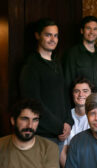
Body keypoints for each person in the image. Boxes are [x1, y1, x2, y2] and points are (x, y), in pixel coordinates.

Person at [19, 18, 73, 151]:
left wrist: (68, 121)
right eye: (48, 35)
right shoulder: (31, 66)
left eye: (56, 36)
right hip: (43, 134)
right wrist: (59, 126)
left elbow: (64, 96)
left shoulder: (56, 63)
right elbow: (34, 103)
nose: (53, 39)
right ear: (38, 35)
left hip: (61, 132)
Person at [0, 99, 59, 168]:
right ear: (13, 120)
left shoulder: (50, 147)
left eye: (35, 120)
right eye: (24, 119)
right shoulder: (1, 145)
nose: (30, 125)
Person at [64, 16, 97, 94]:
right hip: (80, 100)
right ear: (82, 31)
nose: (91, 32)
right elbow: (67, 82)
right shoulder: (72, 53)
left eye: (95, 29)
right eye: (88, 28)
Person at [60, 77, 93, 168]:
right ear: (72, 94)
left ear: (91, 94)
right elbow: (62, 151)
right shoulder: (65, 116)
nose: (81, 94)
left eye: (85, 91)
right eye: (76, 91)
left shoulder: (96, 118)